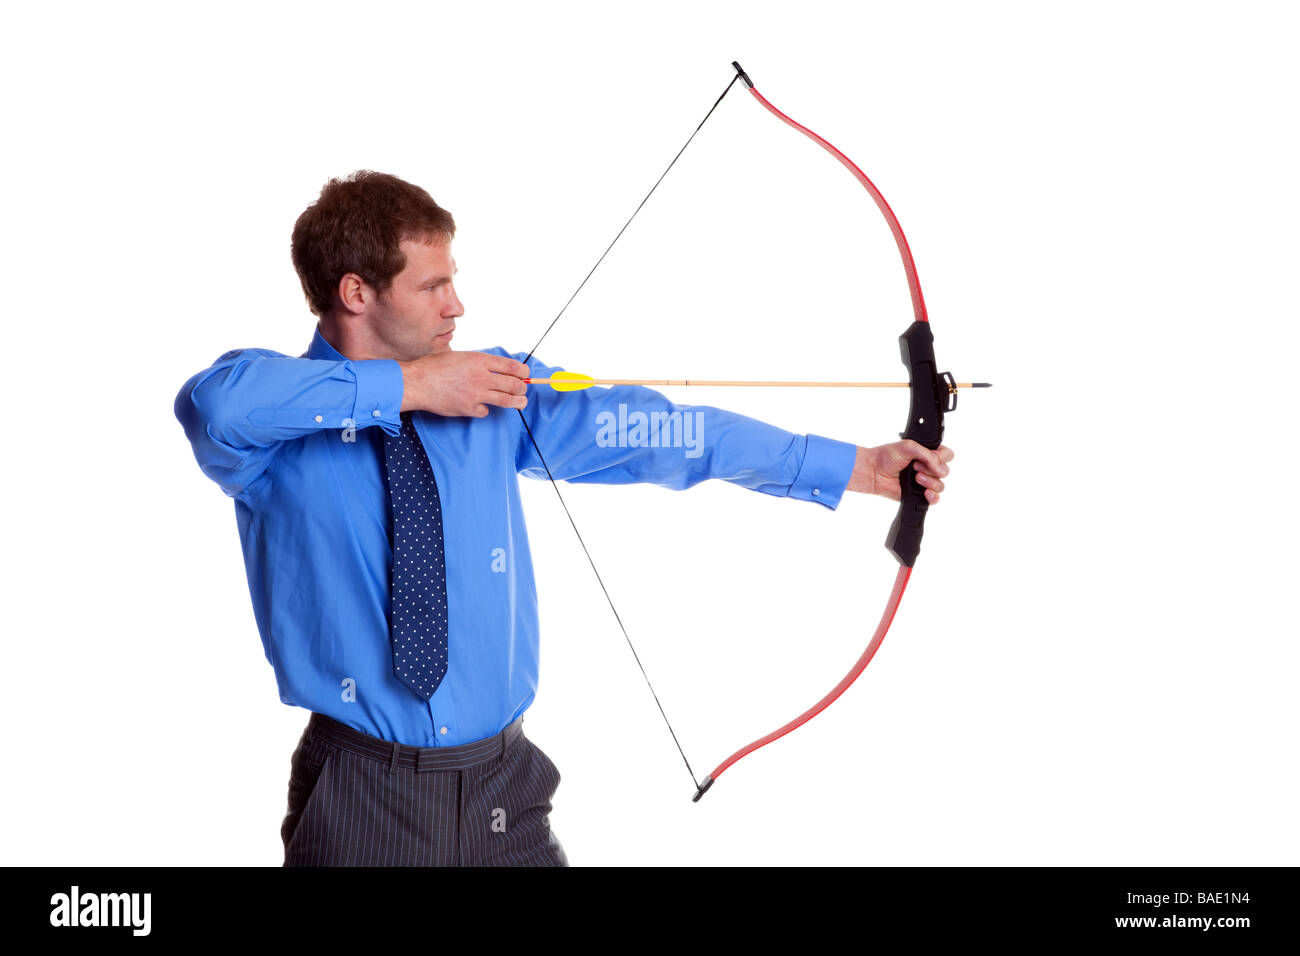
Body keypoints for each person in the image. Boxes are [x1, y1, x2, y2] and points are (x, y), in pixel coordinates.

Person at [174, 170, 954, 867]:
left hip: (502, 790)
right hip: (360, 799)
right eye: (433, 286)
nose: (459, 305)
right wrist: (407, 388)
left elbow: (669, 435)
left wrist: (854, 467)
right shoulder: (271, 428)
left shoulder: (490, 392)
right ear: (357, 294)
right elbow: (215, 404)